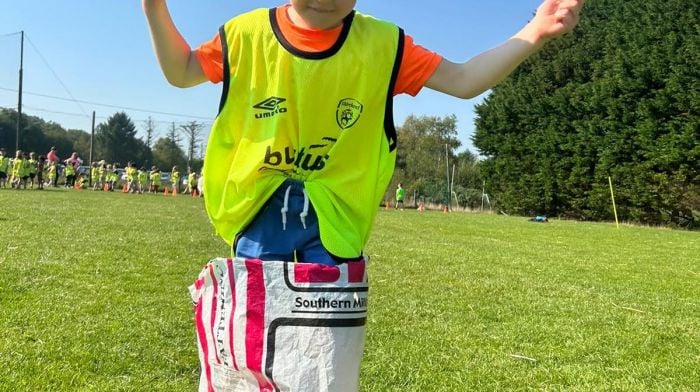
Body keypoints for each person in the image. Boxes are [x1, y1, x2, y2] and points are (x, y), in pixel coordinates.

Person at [144, 0, 584, 388]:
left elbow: (464, 79)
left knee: (327, 347)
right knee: (253, 338)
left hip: (337, 220)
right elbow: (182, 70)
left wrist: (535, 31)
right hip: (257, 210)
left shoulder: (384, 45)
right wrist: (154, 7)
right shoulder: (245, 36)